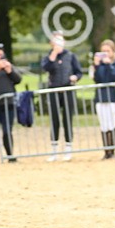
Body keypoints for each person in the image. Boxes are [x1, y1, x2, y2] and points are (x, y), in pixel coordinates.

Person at [40, 33, 83, 161]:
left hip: (67, 89)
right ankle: (54, 149)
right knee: (54, 120)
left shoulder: (70, 56)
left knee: (67, 119)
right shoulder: (48, 56)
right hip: (54, 90)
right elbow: (46, 68)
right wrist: (53, 55)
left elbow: (78, 71)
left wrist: (75, 77)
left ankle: (68, 148)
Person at [93, 39, 115, 159]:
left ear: (112, 52)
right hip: (100, 98)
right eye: (103, 51)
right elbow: (98, 78)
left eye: (107, 51)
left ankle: (112, 151)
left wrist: (108, 64)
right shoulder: (99, 64)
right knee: (104, 125)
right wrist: (96, 65)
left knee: (112, 124)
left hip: (112, 97)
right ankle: (106, 151)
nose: (105, 53)